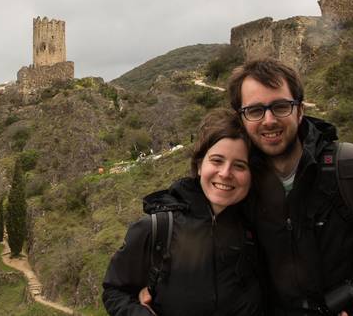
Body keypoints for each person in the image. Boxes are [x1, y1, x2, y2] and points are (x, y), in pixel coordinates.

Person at [226, 58, 353, 316]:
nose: (268, 120)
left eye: (281, 106)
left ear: (300, 110)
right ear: (241, 118)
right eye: (255, 110)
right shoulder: (238, 187)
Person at [103, 108, 262, 316]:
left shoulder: (257, 230)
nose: (225, 173)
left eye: (239, 165)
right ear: (198, 165)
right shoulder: (159, 227)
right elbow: (115, 291)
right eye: (216, 161)